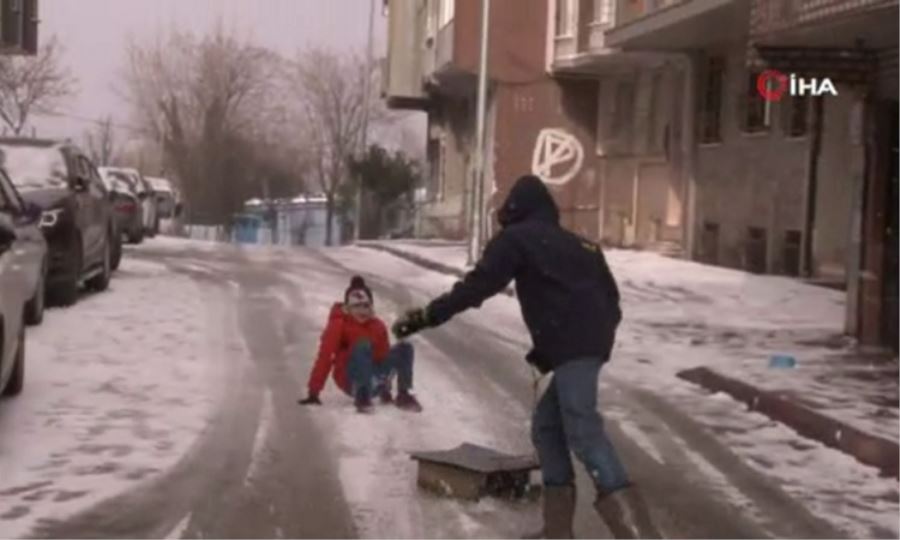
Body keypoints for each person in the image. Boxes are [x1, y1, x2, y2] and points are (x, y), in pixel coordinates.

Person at [392, 175, 660, 539]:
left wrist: (428, 315)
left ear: (515, 210)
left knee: (583, 430)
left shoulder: (516, 239)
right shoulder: (583, 245)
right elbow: (610, 302)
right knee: (547, 427)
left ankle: (639, 535)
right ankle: (556, 532)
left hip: (575, 348)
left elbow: (478, 286)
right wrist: (579, 344)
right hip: (588, 345)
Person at [299, 275, 422, 413]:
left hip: (373, 379)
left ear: (371, 307)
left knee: (405, 347)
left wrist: (384, 390)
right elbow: (326, 357)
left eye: (366, 306)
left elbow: (382, 357)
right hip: (350, 380)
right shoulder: (339, 325)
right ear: (347, 308)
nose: (362, 311)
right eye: (356, 306)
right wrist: (313, 392)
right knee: (362, 344)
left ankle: (404, 394)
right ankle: (362, 396)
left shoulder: (378, 326)